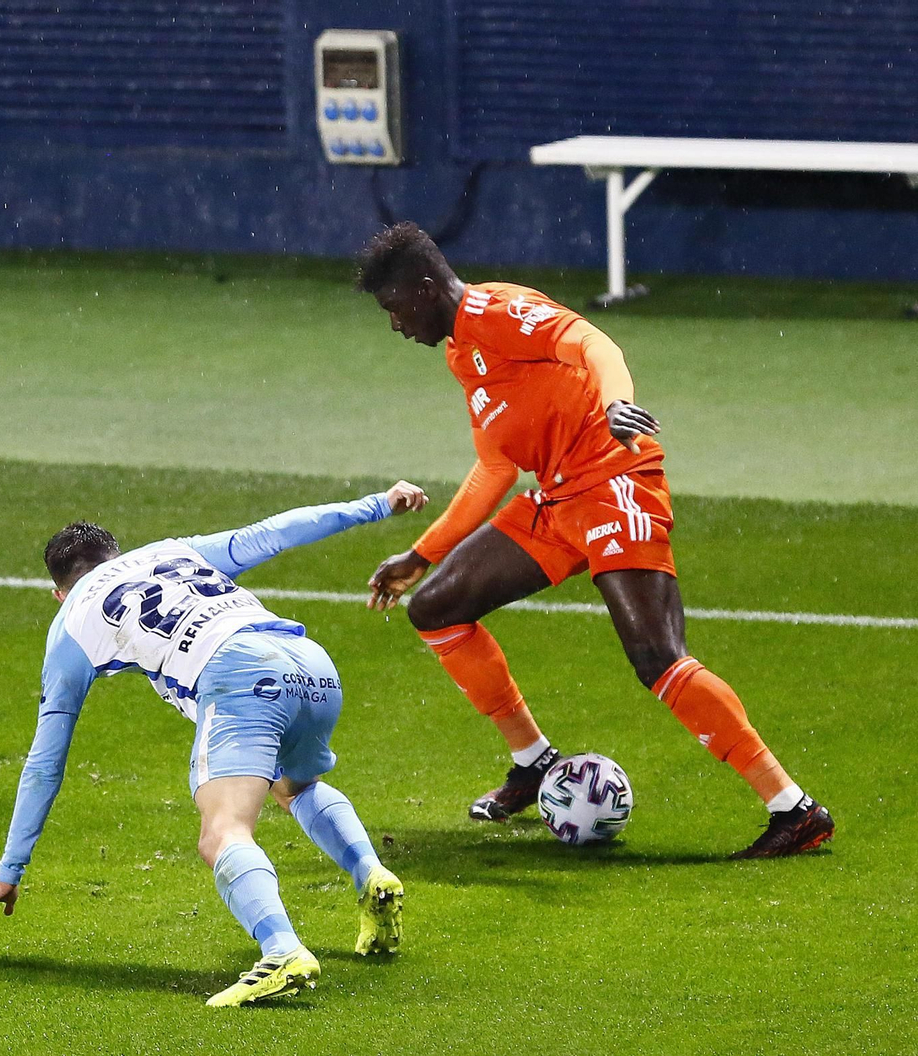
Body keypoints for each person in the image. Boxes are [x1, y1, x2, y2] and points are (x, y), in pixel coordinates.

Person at [355, 221, 833, 859]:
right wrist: (422, 554)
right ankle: (532, 762)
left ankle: (793, 810)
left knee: (657, 656)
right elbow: (497, 466)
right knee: (437, 608)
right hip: (558, 500)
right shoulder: (461, 352)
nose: (394, 325)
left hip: (614, 482)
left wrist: (616, 404)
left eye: (393, 309)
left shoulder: (499, 313)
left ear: (422, 287)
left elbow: (591, 341)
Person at [0, 483, 428, 1006]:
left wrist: (11, 869)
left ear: (59, 592)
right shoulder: (169, 552)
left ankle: (281, 951)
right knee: (294, 786)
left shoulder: (70, 623)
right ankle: (370, 872)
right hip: (310, 663)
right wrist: (377, 505)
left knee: (221, 833)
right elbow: (273, 533)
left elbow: (45, 764)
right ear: (118, 555)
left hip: (240, 677)